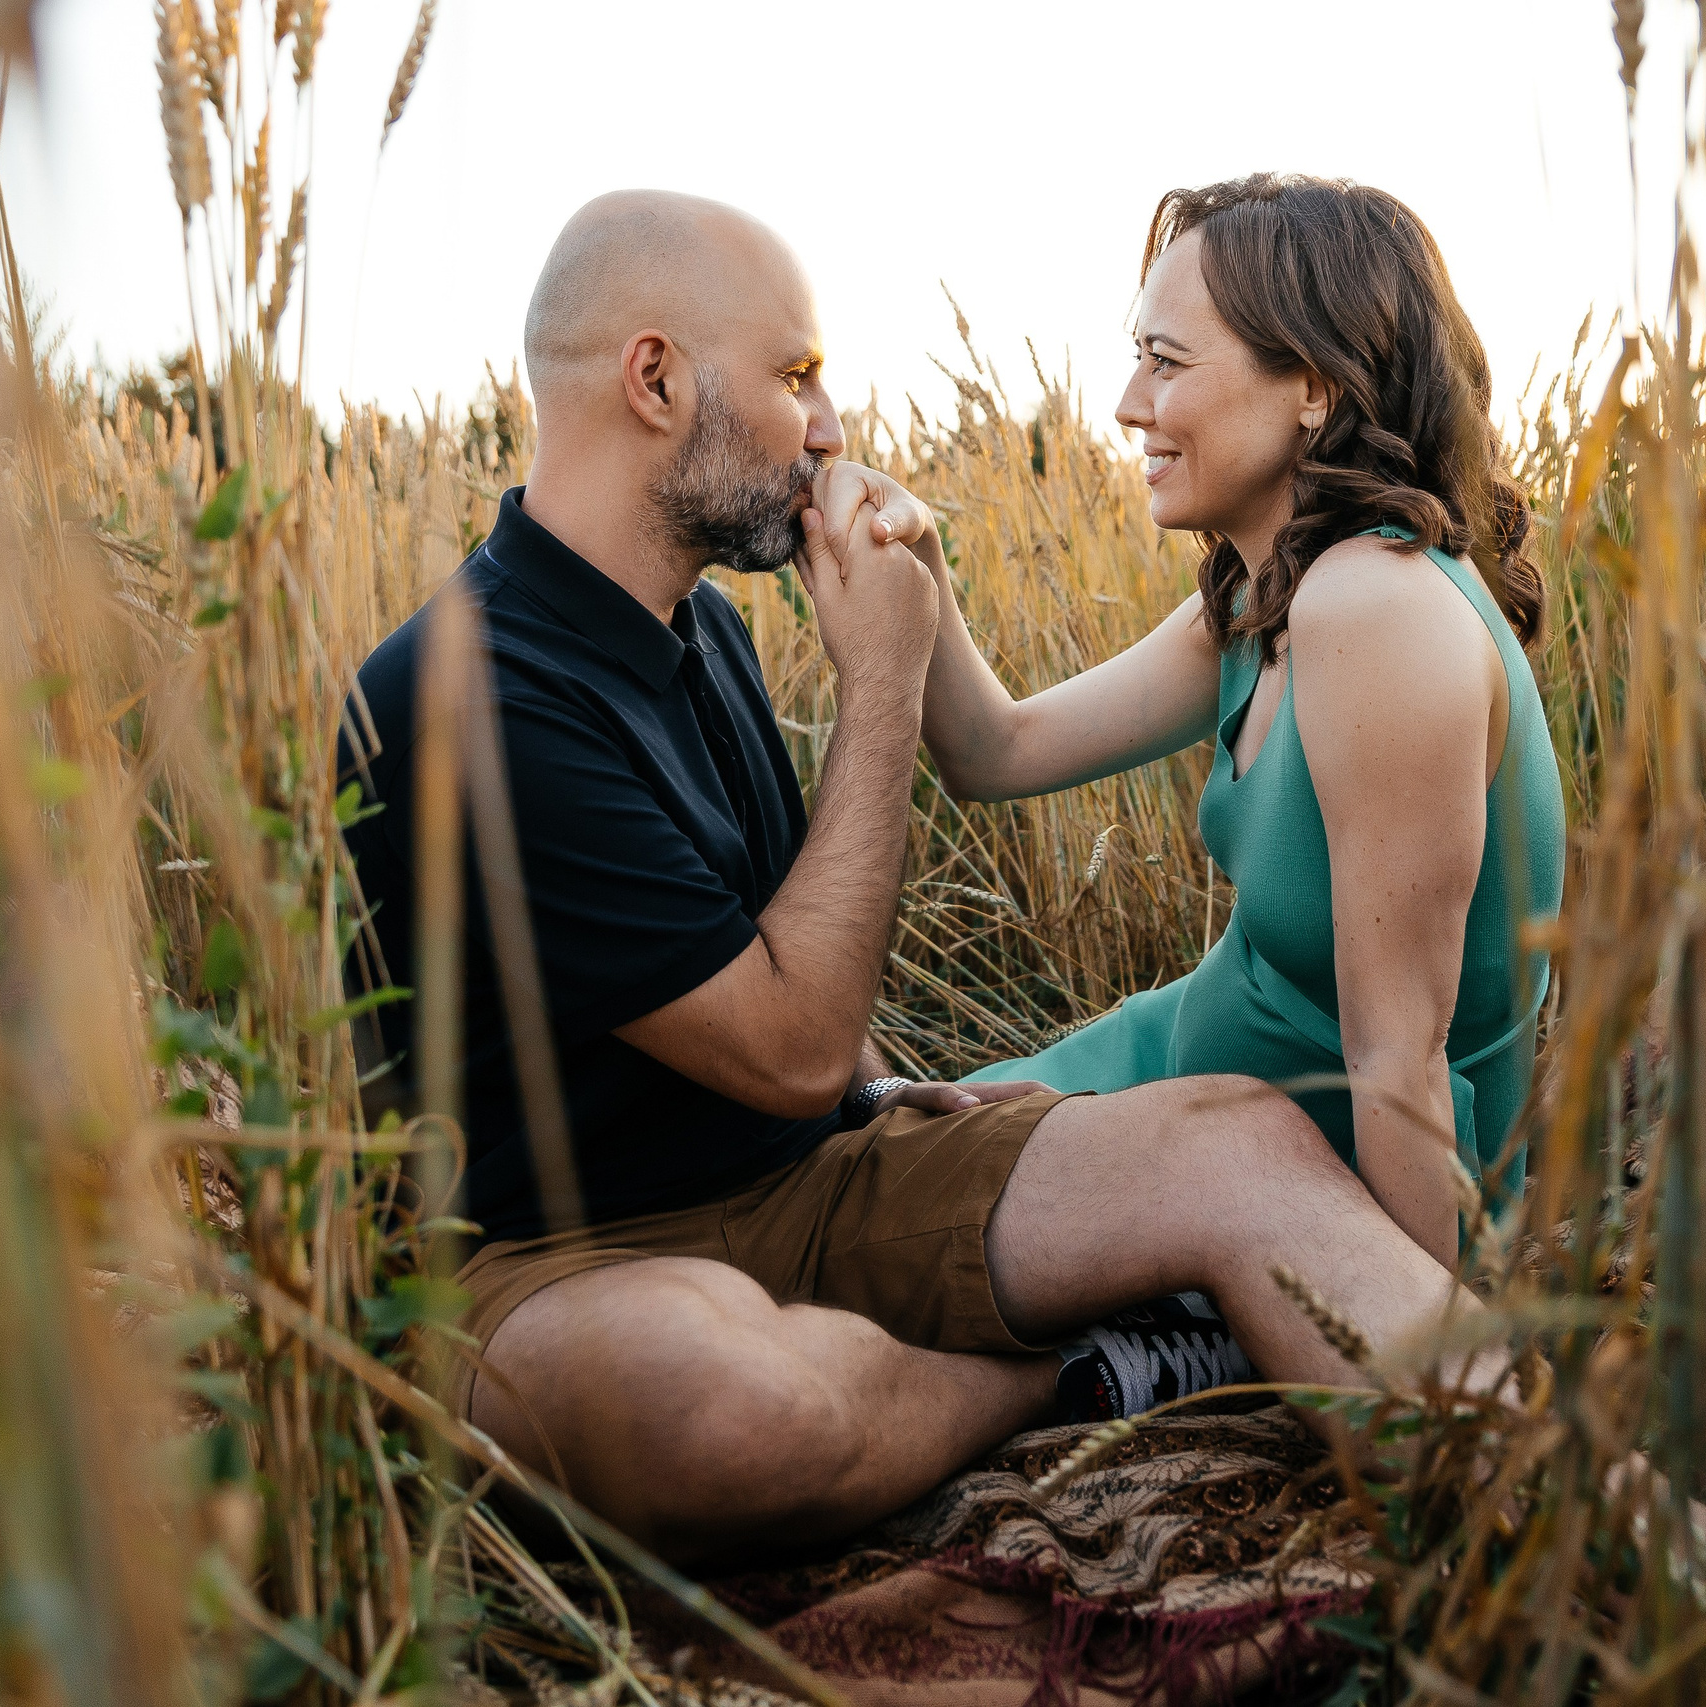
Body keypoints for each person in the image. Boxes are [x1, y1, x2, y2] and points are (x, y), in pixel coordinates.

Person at [336, 190, 1510, 1567]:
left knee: (1239, 1142)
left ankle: (1592, 1528)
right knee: (733, 1404)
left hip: (801, 1185)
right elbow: (786, 1044)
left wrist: (890, 1095)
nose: (830, 425)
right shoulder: (468, 696)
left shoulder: (699, 628)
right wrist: (883, 674)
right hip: (543, 1258)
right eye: (795, 376)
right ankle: (1078, 1372)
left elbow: (774, 985)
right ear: (654, 379)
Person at [856, 175, 1565, 1272]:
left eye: (1168, 362)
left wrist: (1423, 1368)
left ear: (1315, 390)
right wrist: (923, 561)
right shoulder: (1264, 594)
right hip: (1167, 1072)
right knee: (846, 1185)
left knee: (871, 1243)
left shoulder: (1375, 611)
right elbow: (992, 752)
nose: (1129, 401)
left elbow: (1402, 1066)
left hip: (1279, 1174)